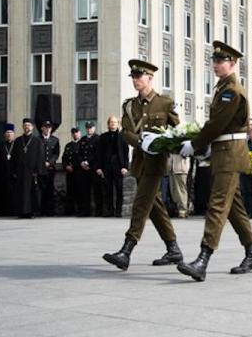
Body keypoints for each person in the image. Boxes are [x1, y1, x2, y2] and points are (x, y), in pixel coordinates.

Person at [177, 41, 252, 282]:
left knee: (216, 204)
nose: (215, 64)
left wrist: (195, 144)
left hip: (230, 153)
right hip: (224, 150)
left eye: (220, 61)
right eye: (214, 61)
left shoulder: (231, 90)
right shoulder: (223, 87)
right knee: (233, 208)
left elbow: (216, 124)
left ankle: (203, 259)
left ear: (233, 64)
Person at [102, 59, 183, 271]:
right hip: (139, 161)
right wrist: (141, 141)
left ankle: (126, 250)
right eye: (133, 77)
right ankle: (173, 249)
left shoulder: (165, 103)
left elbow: (176, 131)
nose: (136, 80)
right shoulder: (129, 105)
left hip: (156, 163)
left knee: (140, 204)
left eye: (139, 76)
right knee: (154, 206)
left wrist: (163, 143)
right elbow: (126, 131)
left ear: (150, 77)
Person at [96, 116, 130, 217]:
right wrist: (99, 167)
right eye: (111, 122)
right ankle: (110, 211)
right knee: (108, 190)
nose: (113, 124)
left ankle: (118, 211)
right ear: (108, 124)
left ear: (118, 124)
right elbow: (99, 153)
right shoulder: (103, 137)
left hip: (118, 166)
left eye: (115, 122)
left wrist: (125, 167)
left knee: (119, 189)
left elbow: (126, 153)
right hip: (107, 166)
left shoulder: (122, 136)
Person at [12, 118, 46, 218]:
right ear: (23, 127)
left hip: (32, 172)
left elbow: (40, 157)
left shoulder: (37, 141)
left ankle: (30, 212)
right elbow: (14, 156)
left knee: (31, 192)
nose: (27, 127)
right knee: (21, 192)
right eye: (25, 125)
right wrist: (14, 170)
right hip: (20, 172)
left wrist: (37, 170)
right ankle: (21, 212)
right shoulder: (18, 140)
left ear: (32, 127)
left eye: (28, 125)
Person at [0, 123, 17, 216]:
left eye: (10, 132)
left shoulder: (17, 145)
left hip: (14, 176)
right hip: (2, 175)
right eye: (7, 132)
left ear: (14, 134)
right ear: (4, 135)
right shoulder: (0, 146)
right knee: (2, 194)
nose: (9, 134)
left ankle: (13, 211)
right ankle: (2, 212)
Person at [78, 122, 103, 216]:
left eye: (90, 128)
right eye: (87, 128)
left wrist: (88, 162)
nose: (89, 129)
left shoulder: (98, 139)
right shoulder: (83, 139)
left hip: (94, 168)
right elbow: (79, 153)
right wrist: (81, 162)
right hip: (84, 169)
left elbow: (97, 154)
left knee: (97, 190)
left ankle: (99, 211)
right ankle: (86, 211)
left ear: (94, 128)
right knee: (85, 191)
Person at [38, 121, 60, 217]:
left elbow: (56, 154)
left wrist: (50, 162)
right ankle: (41, 210)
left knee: (50, 190)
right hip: (40, 168)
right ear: (42, 128)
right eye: (45, 127)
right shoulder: (37, 139)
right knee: (40, 189)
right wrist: (42, 162)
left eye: (49, 127)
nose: (47, 129)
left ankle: (50, 211)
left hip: (50, 168)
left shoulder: (55, 140)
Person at [61, 127, 83, 216]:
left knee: (79, 191)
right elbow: (64, 158)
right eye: (73, 133)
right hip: (69, 172)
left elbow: (80, 157)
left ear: (80, 133)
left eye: (77, 132)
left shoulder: (82, 144)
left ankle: (80, 210)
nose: (75, 134)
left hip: (78, 171)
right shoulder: (68, 145)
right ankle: (70, 210)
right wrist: (66, 166)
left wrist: (74, 166)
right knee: (70, 192)